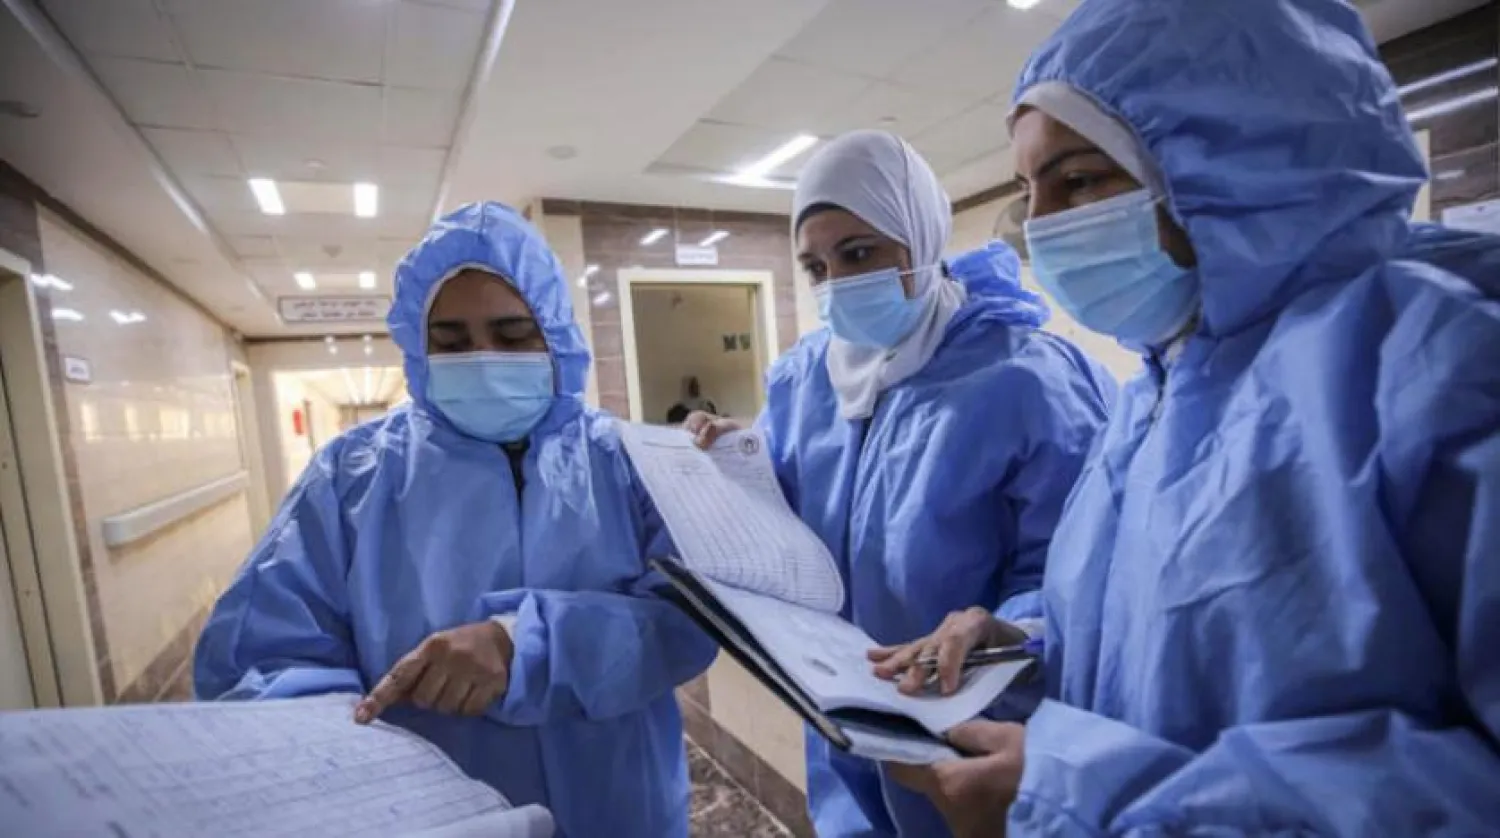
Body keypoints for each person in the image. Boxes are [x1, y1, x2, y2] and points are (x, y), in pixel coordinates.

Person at [882, 0, 1500, 834]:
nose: (1041, 228)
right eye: (1031, 192)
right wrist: (1018, 644)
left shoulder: (1436, 372)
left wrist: (1086, 801)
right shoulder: (1154, 398)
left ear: (1236, 163)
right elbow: (1157, 653)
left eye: (1080, 180)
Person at [194, 202, 718, 838]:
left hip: (619, 802)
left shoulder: (629, 461)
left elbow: (689, 617)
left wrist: (519, 644)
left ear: (555, 334)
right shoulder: (352, 475)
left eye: (512, 334)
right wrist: (346, 770)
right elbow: (262, 658)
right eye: (451, 341)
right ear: (418, 348)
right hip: (428, 816)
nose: (482, 357)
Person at [688, 130, 1116, 837]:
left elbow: (1082, 572)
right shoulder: (805, 380)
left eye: (858, 254)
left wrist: (1011, 627)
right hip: (842, 725)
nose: (837, 284)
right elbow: (795, 517)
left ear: (919, 238)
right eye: (815, 266)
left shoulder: (1027, 379)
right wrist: (738, 462)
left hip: (976, 735)